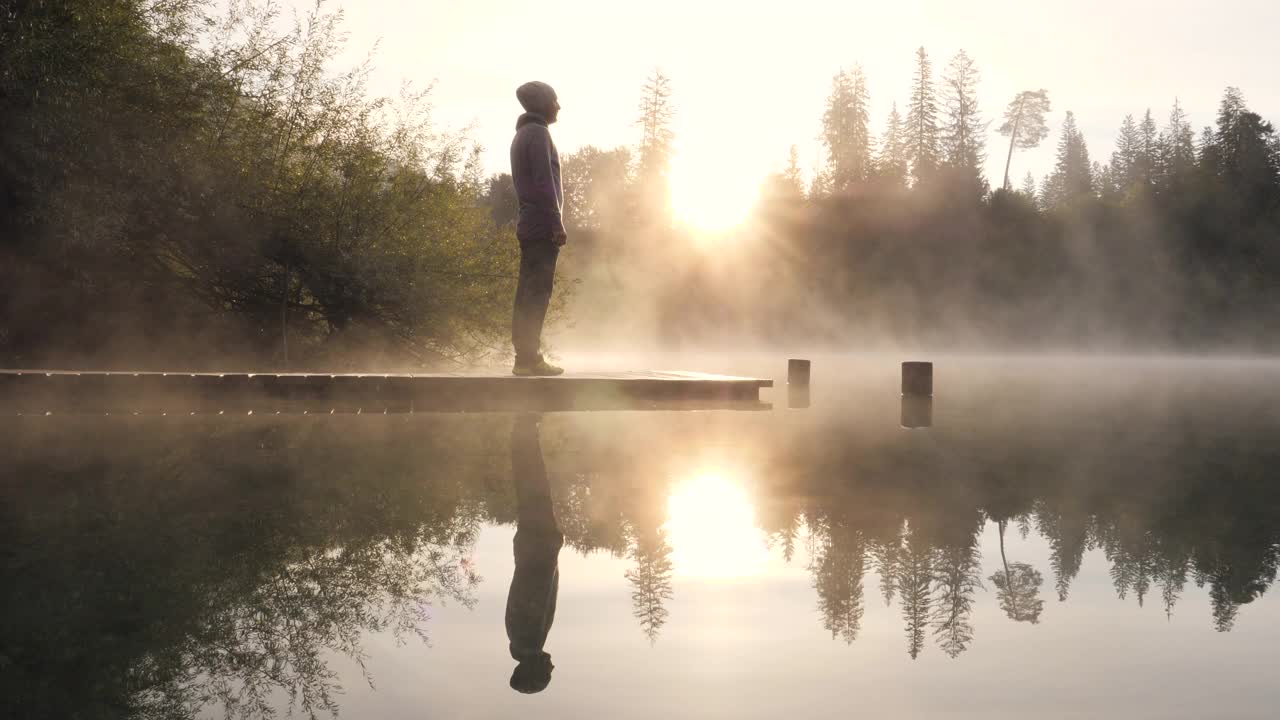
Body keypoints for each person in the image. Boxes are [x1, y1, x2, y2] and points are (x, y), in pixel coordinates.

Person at [509, 81, 567, 377]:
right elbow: (545, 183)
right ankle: (529, 359)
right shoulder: (540, 134)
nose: (559, 106)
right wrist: (556, 222)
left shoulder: (521, 134)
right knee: (538, 292)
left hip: (528, 223)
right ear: (543, 103)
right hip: (542, 224)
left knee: (527, 290)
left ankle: (523, 357)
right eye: (555, 100)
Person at [505, 414, 564, 693]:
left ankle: (524, 426)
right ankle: (525, 428)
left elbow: (535, 587)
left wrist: (550, 548)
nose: (552, 667)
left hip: (538, 547)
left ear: (534, 671)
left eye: (547, 674)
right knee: (532, 486)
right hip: (534, 548)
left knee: (533, 484)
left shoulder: (529, 640)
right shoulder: (523, 640)